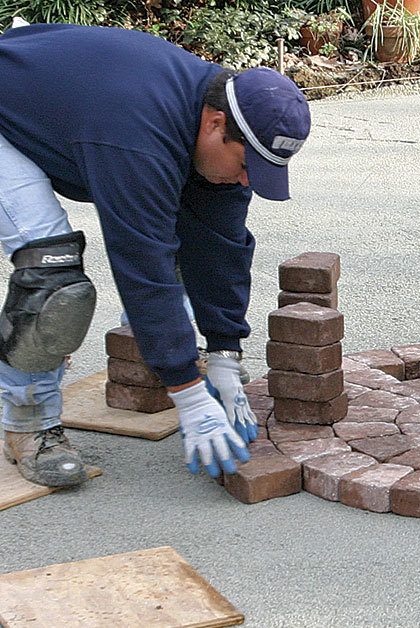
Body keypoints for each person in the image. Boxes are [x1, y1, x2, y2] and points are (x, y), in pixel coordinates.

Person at [0, 23, 311, 487]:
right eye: (248, 166)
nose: (249, 181)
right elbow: (141, 262)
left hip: (61, 113)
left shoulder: (226, 116)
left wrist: (225, 353)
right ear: (214, 125)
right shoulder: (137, 136)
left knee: (187, 233)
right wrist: (187, 391)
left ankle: (146, 362)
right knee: (55, 276)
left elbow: (219, 248)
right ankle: (29, 424)